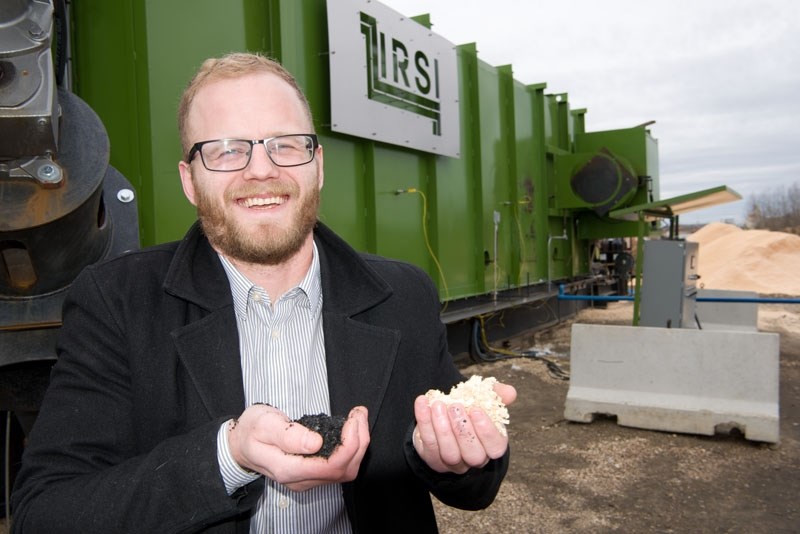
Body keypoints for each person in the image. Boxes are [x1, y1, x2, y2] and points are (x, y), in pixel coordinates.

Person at [11, 52, 516, 533]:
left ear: (317, 164)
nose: (260, 169)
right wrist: (227, 456)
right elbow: (46, 513)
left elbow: (472, 488)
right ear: (190, 181)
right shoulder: (116, 302)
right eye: (227, 149)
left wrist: (451, 453)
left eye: (286, 143)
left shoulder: (403, 295)